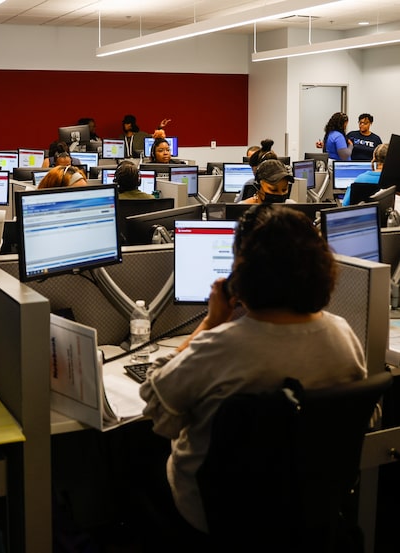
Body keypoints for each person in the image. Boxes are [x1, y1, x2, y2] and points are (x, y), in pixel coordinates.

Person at [138, 204, 366, 546]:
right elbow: (357, 418)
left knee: (130, 453)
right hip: (307, 511)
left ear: (241, 275)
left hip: (216, 515)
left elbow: (157, 405)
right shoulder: (342, 334)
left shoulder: (220, 345)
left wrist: (210, 322)